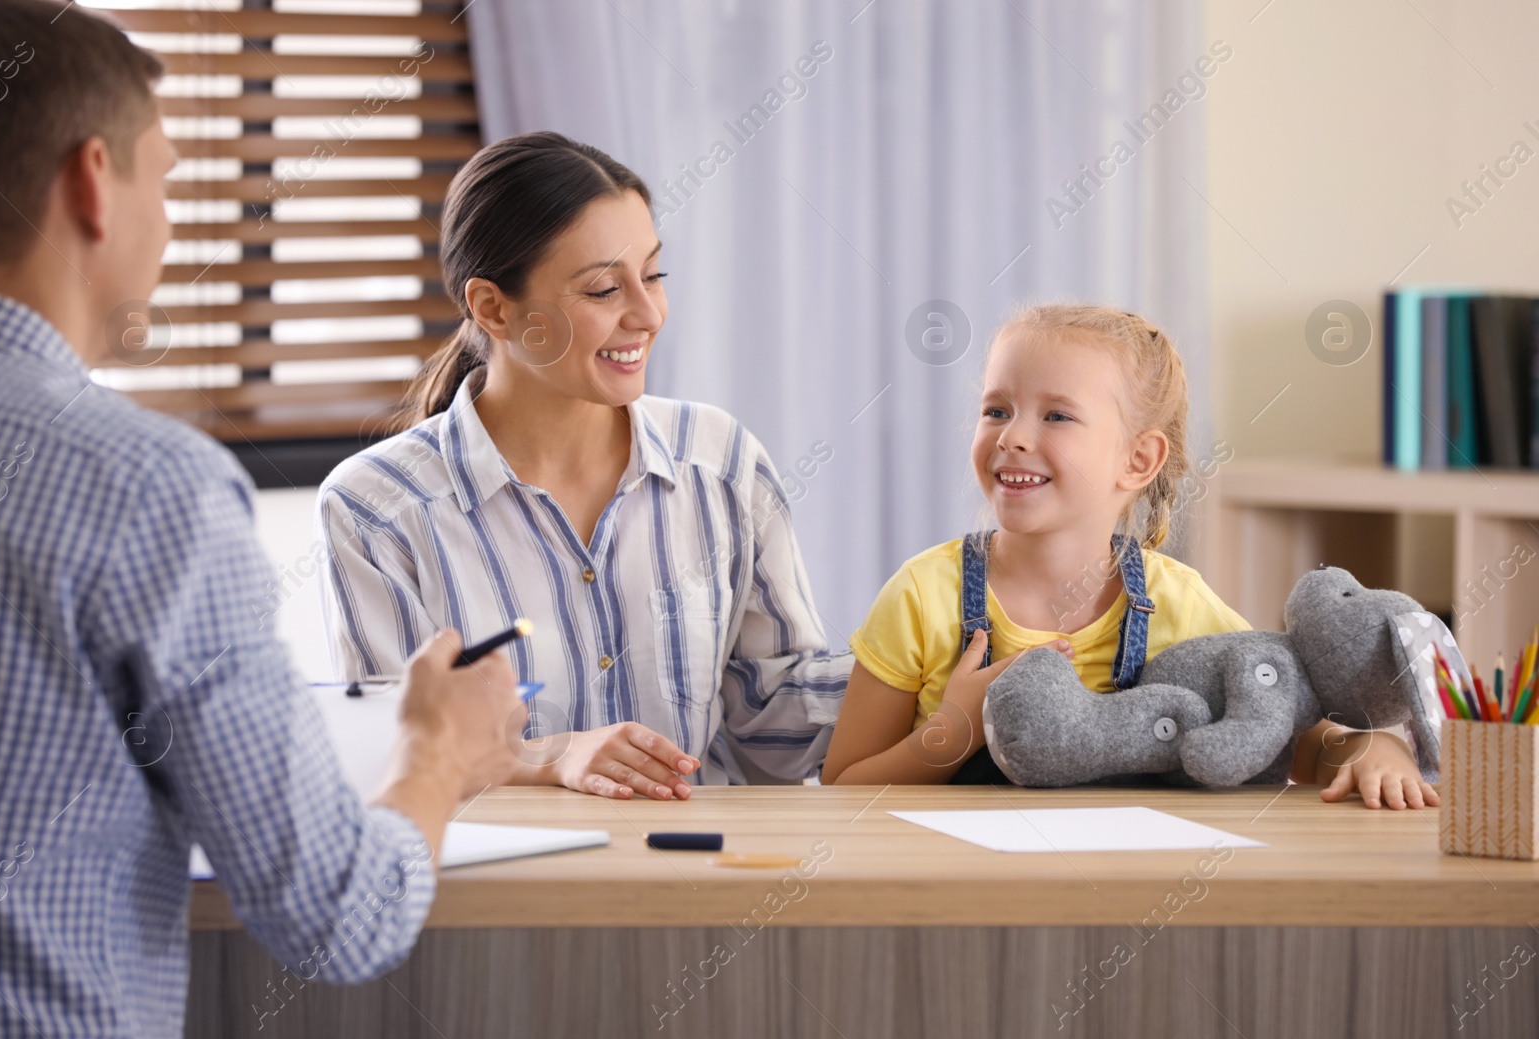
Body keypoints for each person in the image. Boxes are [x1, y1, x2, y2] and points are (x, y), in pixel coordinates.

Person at [0, 2, 520, 1039]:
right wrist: (438, 751)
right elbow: (335, 913)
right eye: (163, 180)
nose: (171, 221)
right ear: (88, 181)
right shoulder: (142, 483)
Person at [318, 132, 849, 797]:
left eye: (654, 275)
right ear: (492, 307)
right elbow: (392, 758)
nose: (648, 313)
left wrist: (932, 670)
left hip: (710, 881)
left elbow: (773, 721)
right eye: (603, 289)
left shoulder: (722, 461)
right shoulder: (376, 509)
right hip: (504, 894)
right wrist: (551, 757)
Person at [822, 304, 1437, 809]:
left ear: (1138, 461)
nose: (1011, 436)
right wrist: (954, 728)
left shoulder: (1180, 602)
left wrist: (1365, 746)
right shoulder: (921, 596)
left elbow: (1285, 733)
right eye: (996, 410)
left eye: (1056, 415)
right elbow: (842, 788)